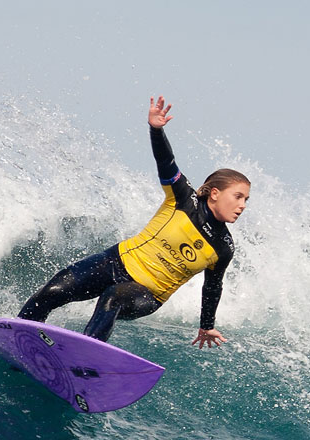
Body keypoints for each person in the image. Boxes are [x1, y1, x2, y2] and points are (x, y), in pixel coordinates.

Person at [17, 96, 250, 349]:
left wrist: (206, 325)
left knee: (112, 298)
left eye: (246, 200)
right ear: (215, 193)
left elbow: (213, 287)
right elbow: (166, 161)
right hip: (114, 262)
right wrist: (156, 130)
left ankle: (86, 354)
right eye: (238, 197)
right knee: (53, 291)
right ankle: (19, 337)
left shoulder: (222, 247)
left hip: (147, 293)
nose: (242, 205)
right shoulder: (184, 198)